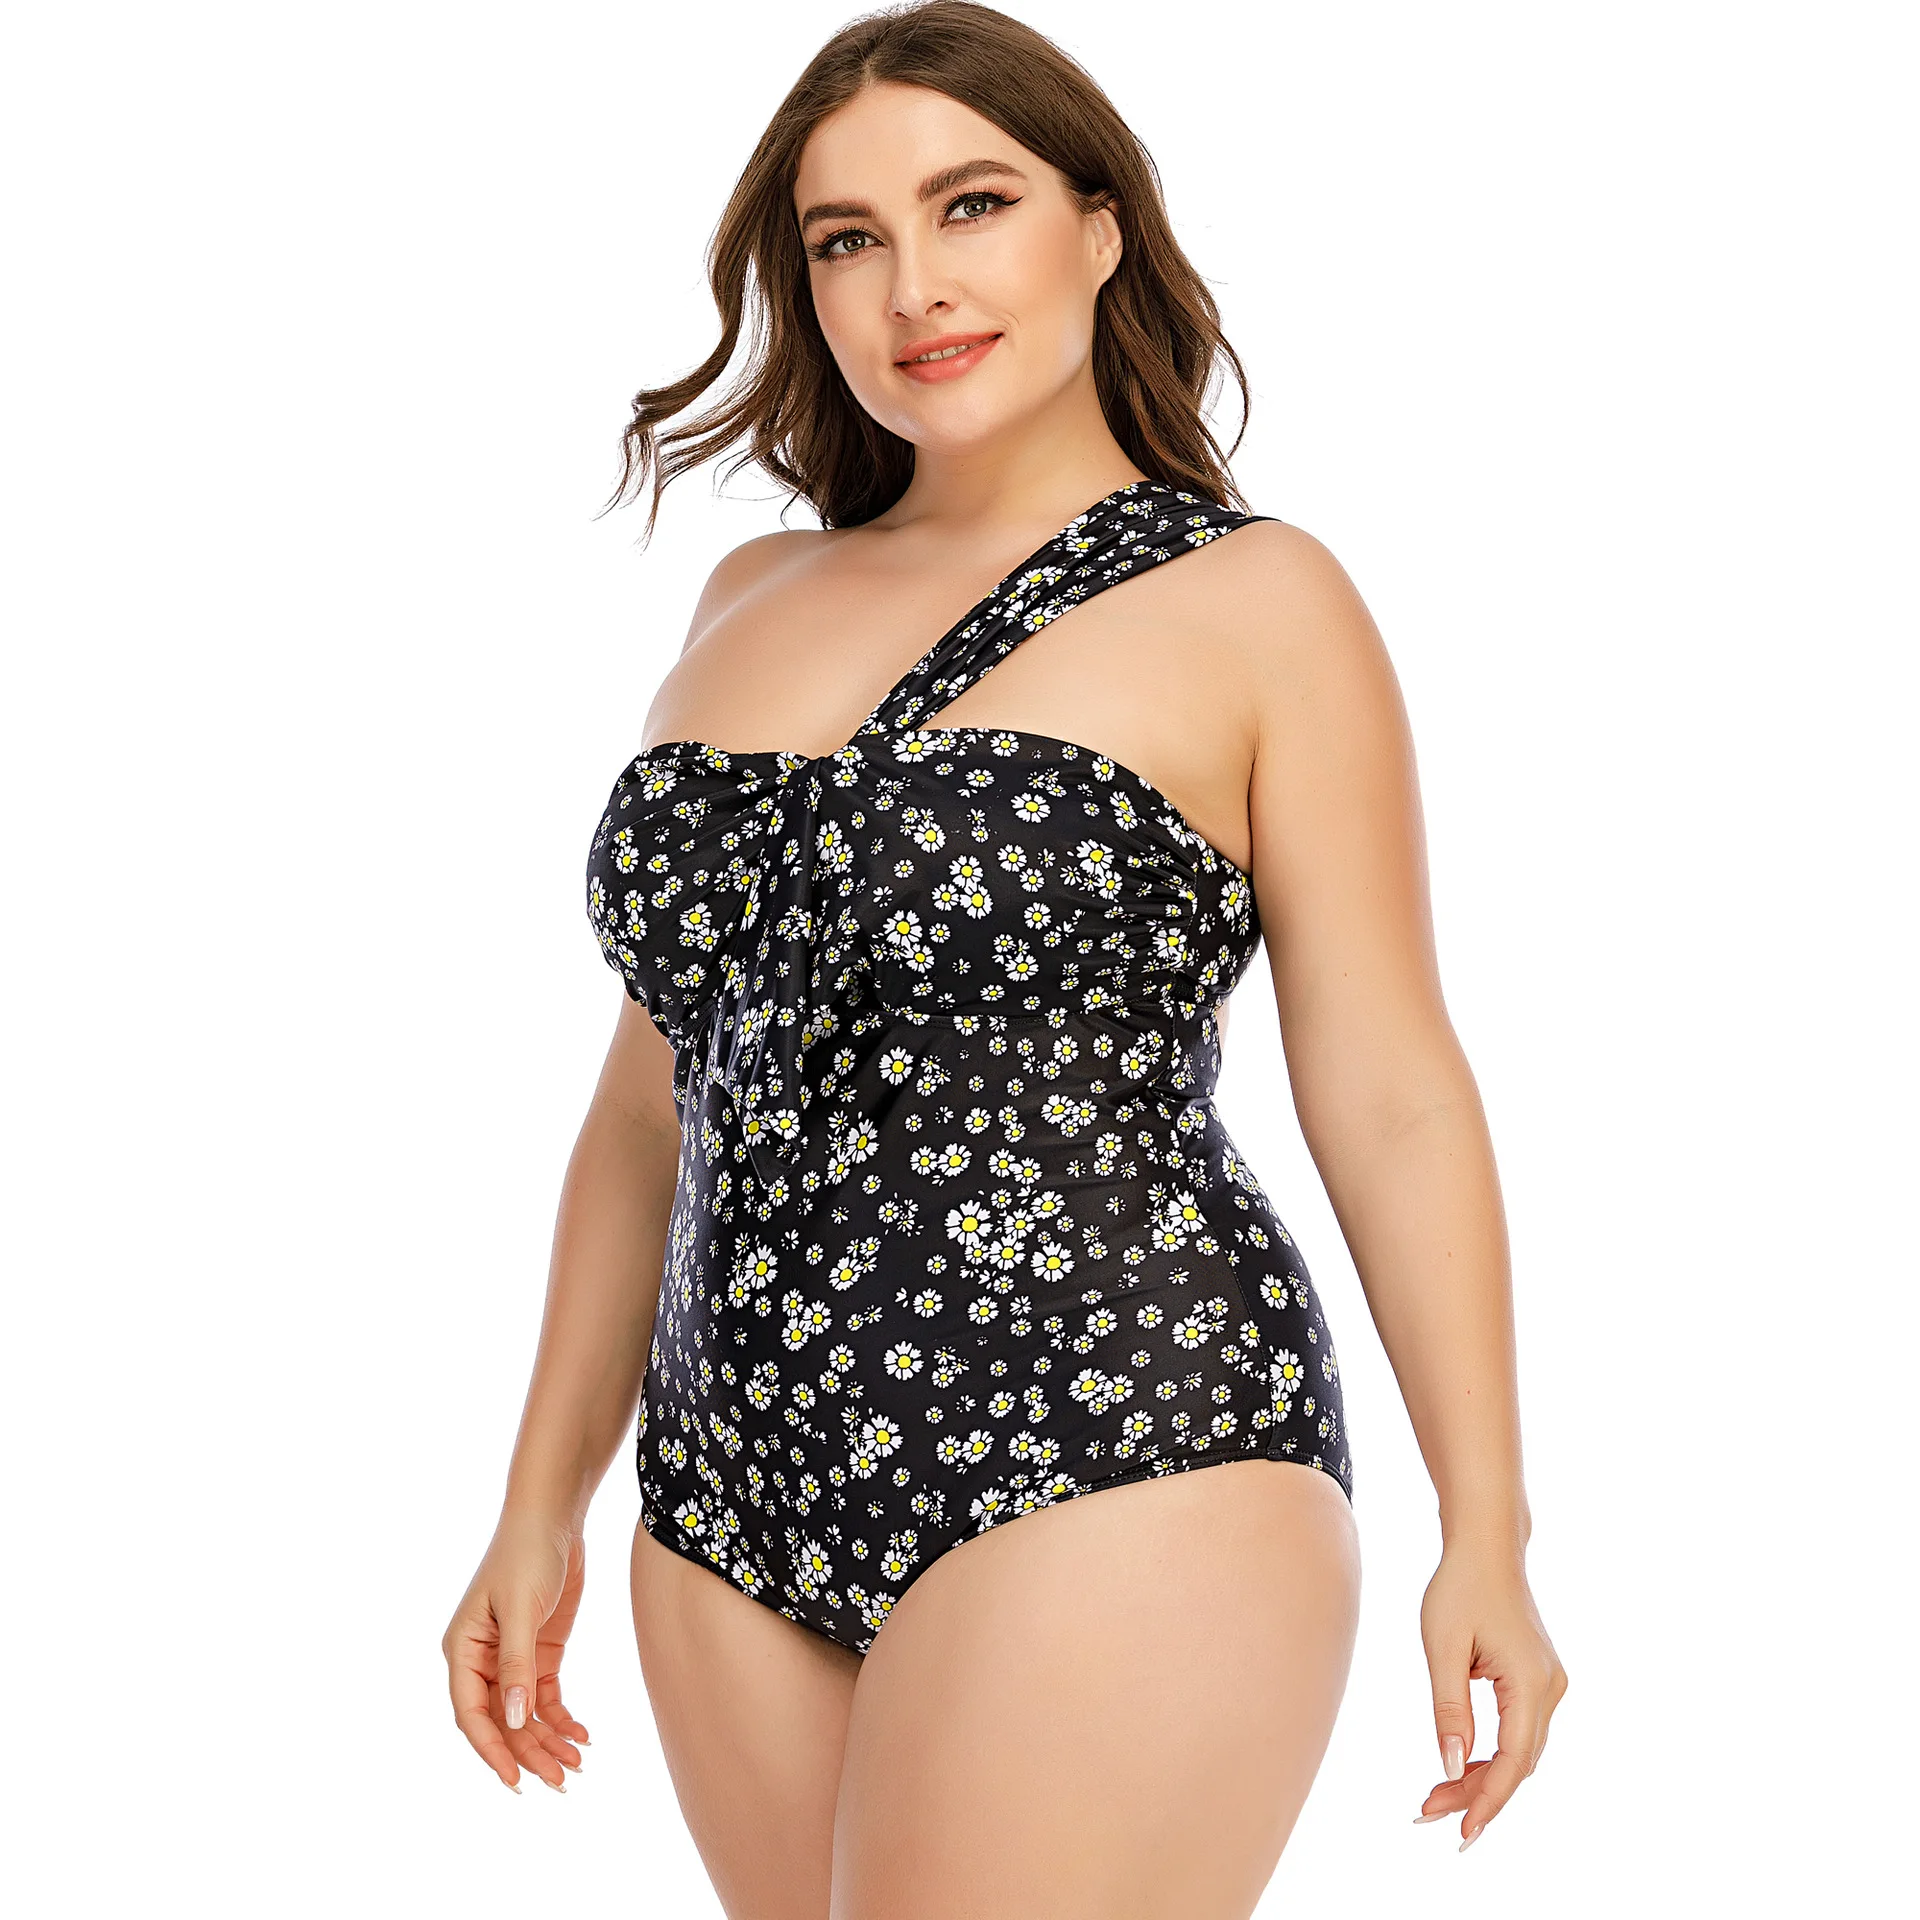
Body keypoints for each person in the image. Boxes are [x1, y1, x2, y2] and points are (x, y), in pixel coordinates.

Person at [442, 4, 1567, 1913]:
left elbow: (1387, 1088)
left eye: (972, 205)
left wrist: (1490, 1527)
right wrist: (538, 1498)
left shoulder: (1256, 598)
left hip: (1120, 1432)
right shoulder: (744, 597)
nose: (913, 287)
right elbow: (648, 1107)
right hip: (725, 1500)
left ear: (1100, 226)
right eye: (848, 239)